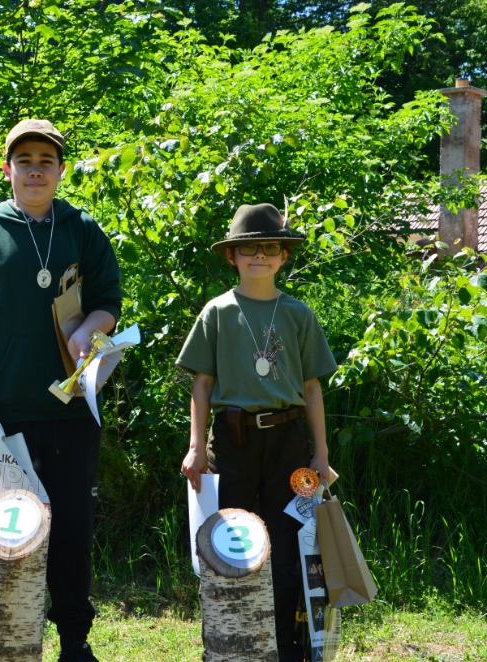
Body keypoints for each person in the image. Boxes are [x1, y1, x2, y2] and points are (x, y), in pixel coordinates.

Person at [0, 119, 122, 662]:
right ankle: (1, 635)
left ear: (62, 170)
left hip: (69, 412)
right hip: (5, 416)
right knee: (3, 534)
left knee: (70, 529)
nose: (36, 169)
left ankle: (74, 641)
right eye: (25, 160)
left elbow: (108, 296)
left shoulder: (82, 229)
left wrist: (91, 328)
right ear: (8, 169)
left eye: (46, 160)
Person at [177, 203, 337, 662]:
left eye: (269, 248)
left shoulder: (298, 314)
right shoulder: (218, 312)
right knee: (231, 545)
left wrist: (320, 454)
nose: (259, 257)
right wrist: (196, 448)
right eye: (249, 248)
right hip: (232, 443)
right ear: (233, 256)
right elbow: (202, 383)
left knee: (287, 546)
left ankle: (285, 647)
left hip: (288, 445)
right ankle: (230, 644)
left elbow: (311, 388)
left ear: (284, 256)